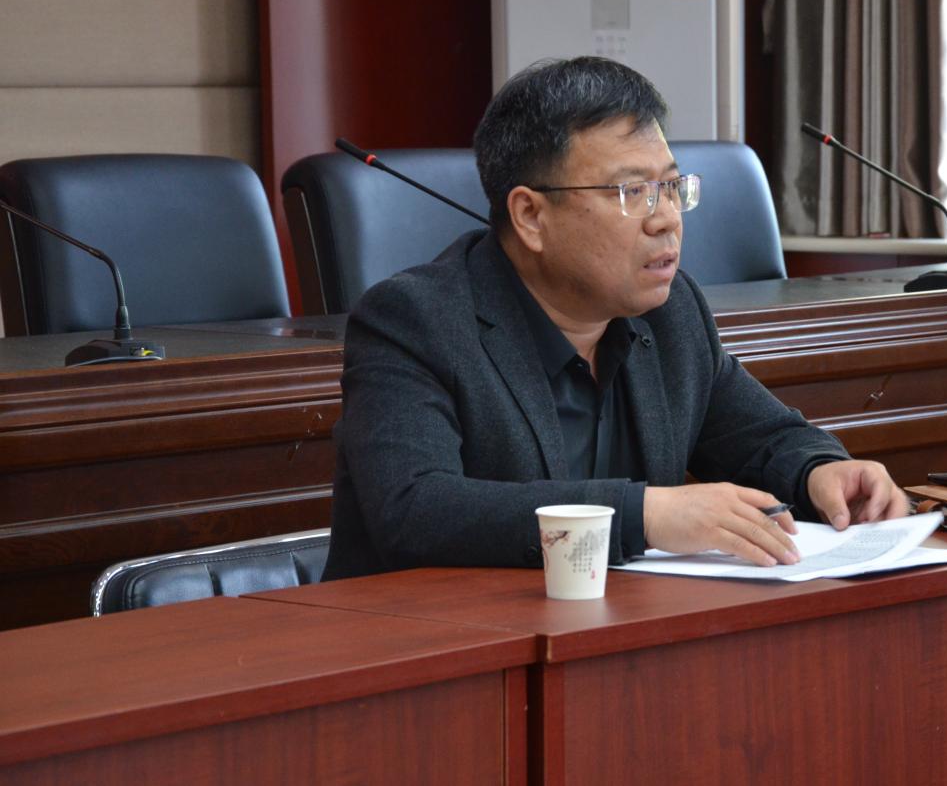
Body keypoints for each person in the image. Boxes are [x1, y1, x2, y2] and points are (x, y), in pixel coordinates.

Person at [322, 56, 909, 580]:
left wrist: (818, 471)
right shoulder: (414, 321)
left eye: (672, 187)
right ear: (530, 216)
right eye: (633, 194)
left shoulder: (670, 313)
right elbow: (415, 508)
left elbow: (761, 437)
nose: (667, 218)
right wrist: (641, 514)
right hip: (435, 644)